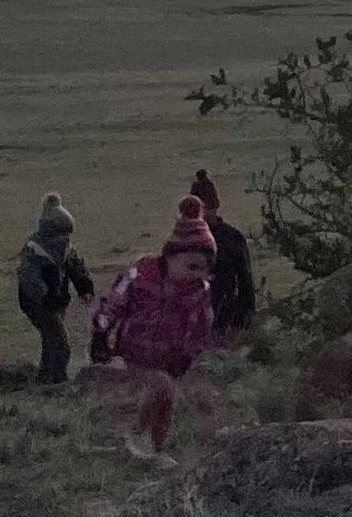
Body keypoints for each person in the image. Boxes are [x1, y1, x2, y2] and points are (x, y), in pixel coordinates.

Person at [92, 198, 220, 459]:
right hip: (134, 350)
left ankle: (157, 448)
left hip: (169, 357)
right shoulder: (143, 275)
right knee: (160, 386)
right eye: (192, 266)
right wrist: (101, 331)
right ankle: (135, 432)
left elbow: (200, 326)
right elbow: (115, 300)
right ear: (171, 256)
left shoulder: (197, 293)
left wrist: (187, 355)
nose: (198, 274)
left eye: (205, 269)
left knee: (167, 400)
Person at [14, 194, 96, 385]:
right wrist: (45, 299)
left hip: (56, 301)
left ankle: (44, 378)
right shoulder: (34, 250)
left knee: (50, 340)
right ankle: (58, 381)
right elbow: (29, 281)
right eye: (63, 235)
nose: (66, 240)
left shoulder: (64, 248)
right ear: (50, 231)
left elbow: (76, 267)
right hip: (37, 304)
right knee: (60, 343)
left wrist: (85, 287)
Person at [188, 168, 258, 338]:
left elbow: (245, 285)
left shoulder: (232, 238)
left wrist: (242, 324)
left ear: (216, 204)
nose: (204, 213)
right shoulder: (184, 241)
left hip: (224, 321)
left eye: (208, 206)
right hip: (189, 324)